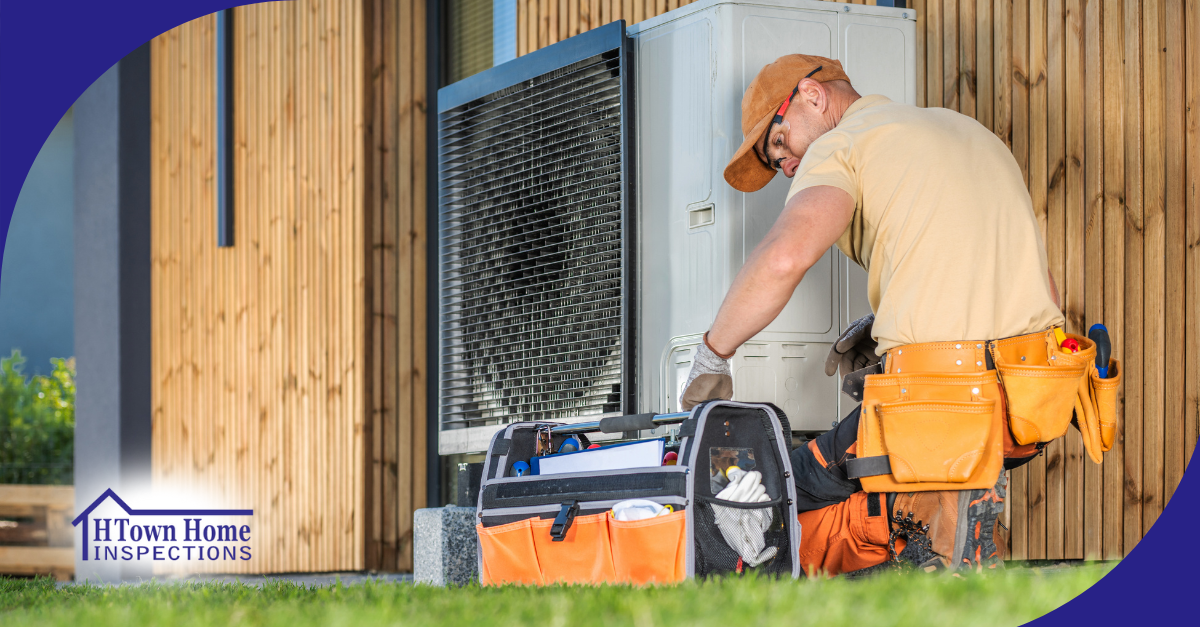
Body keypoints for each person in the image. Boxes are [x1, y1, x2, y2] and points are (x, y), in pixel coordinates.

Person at [681, 54, 1067, 575]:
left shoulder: (843, 143)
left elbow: (784, 257)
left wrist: (713, 353)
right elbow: (1040, 286)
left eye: (779, 144)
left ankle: (929, 546)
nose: (788, 166)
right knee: (895, 483)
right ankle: (942, 531)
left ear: (812, 97)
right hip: (1031, 403)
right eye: (778, 165)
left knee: (772, 487)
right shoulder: (967, 131)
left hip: (939, 402)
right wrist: (900, 321)